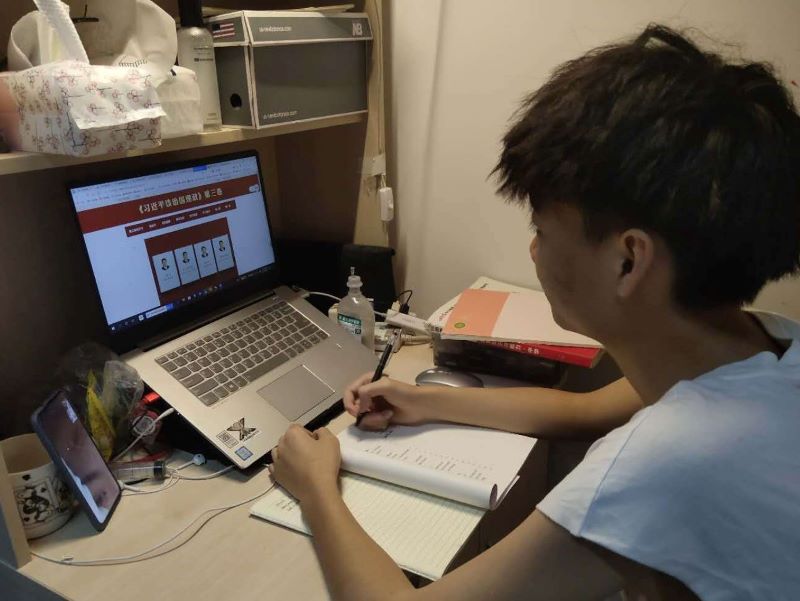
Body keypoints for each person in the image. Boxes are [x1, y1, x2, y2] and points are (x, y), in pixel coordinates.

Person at [269, 25, 800, 600]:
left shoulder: (671, 462)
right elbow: (588, 411)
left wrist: (316, 489)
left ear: (629, 262)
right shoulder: (767, 345)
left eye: (542, 230)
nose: (533, 249)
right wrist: (424, 400)